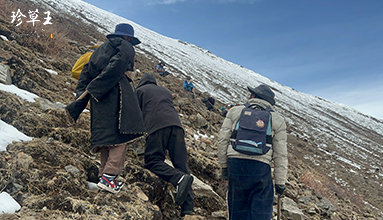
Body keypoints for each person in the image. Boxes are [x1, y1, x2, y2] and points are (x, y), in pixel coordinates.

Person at [65, 23, 146, 193]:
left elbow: (84, 76)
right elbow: (119, 63)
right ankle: (109, 176)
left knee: (106, 137)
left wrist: (86, 95)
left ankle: (103, 176)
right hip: (117, 93)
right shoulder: (125, 46)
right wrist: (101, 85)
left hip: (99, 99)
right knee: (122, 133)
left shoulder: (95, 53)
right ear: (128, 38)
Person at [217, 84, 288, 220]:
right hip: (260, 167)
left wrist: (224, 166)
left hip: (235, 164)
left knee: (237, 210)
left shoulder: (235, 111)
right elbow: (281, 155)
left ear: (254, 96)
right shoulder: (277, 120)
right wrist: (280, 182)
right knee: (261, 211)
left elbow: (222, 141)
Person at [136, 73, 194, 217]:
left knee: (153, 160)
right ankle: (188, 209)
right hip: (177, 127)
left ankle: (178, 178)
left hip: (157, 127)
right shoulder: (165, 91)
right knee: (181, 165)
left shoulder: (140, 91)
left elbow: (135, 113)